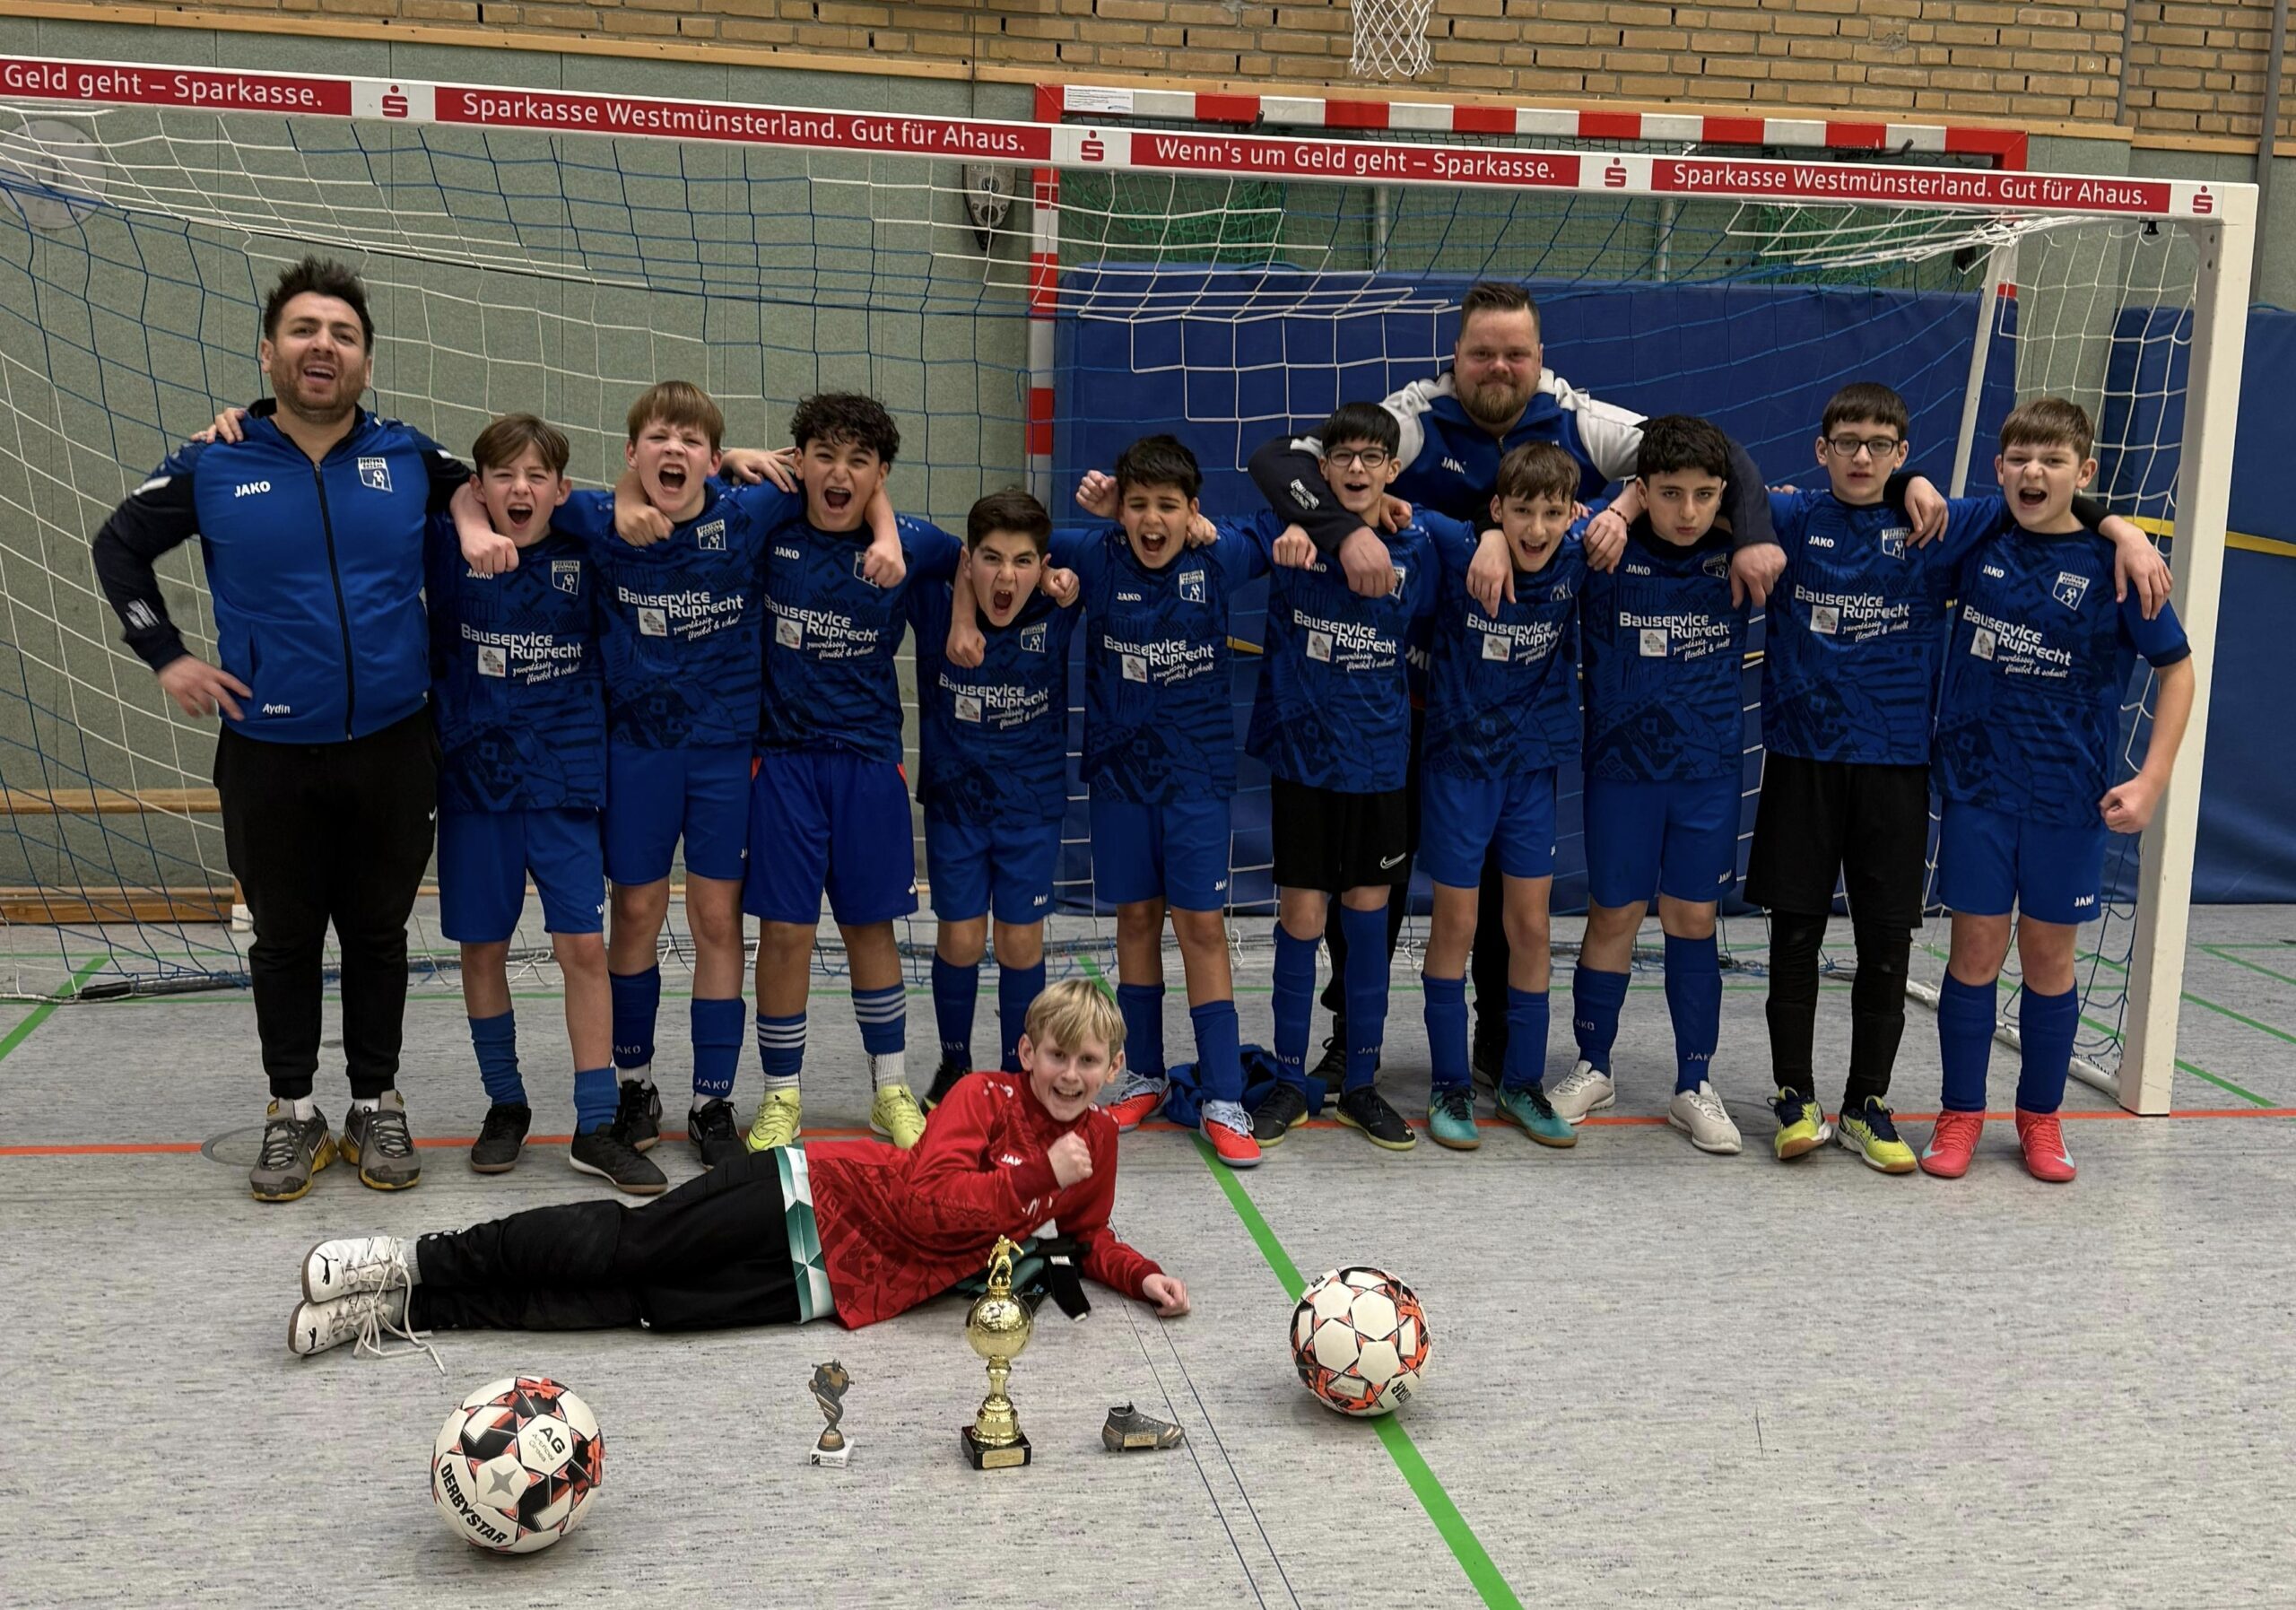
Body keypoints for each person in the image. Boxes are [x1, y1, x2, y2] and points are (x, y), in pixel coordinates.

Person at [1248, 280, 1785, 1087]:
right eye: (1482, 353)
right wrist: (1339, 531)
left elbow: (1714, 454)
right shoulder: (1415, 418)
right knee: (1373, 887)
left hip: (1508, 717)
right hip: (1402, 702)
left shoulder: (1576, 419)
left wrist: (1735, 528)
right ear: (1454, 356)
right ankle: (1350, 1041)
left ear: (1540, 358)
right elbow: (1283, 459)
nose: (1498, 367)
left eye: (1516, 354)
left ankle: (1498, 1044)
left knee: (1509, 899)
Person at [91, 256, 468, 1202]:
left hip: (394, 744)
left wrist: (713, 474)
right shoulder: (215, 460)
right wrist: (166, 654)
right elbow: (118, 545)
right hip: (267, 753)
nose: (322, 346)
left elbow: (525, 493)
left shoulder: (411, 458)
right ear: (269, 353)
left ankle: (375, 1102)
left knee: (379, 935)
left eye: (343, 334)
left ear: (366, 362)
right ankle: (292, 1111)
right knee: (285, 939)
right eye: (304, 329)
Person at [455, 384, 900, 1171]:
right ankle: (634, 1086)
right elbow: (476, 489)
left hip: (725, 752)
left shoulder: (753, 510)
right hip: (635, 753)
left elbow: (855, 483)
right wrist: (610, 499)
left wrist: (885, 527)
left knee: (717, 920)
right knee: (635, 912)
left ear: (713, 458)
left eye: (692, 442)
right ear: (631, 454)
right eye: (658, 438)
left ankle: (711, 1099)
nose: (674, 451)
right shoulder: (595, 515)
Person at [284, 979, 1187, 1352]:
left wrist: (1138, 1274)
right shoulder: (982, 1097)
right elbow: (927, 1202)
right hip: (806, 1195)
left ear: (1113, 1070)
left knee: (640, 1305)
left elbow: (1085, 1235)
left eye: (1088, 1062)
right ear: (1026, 1052)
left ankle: (405, 1312)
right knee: (632, 1243)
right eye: (1056, 1055)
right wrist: (1036, 1176)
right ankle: (414, 1258)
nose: (1070, 1074)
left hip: (833, 1286)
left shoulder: (1096, 1144)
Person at [1745, 383, 2170, 1171]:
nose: (1863, 456)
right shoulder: (1804, 516)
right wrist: (1704, 527)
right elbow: (1722, 477)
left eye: (1882, 445)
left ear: (1905, 453)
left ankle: (1886, 1106)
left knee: (1897, 942)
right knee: (1807, 935)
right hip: (1829, 763)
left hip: (1922, 770)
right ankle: (1811, 1097)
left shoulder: (1956, 527)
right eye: (1848, 442)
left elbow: (2048, 504)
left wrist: (2123, 529)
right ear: (1821, 450)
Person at [952, 438, 1267, 1167]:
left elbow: (1286, 521)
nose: (1153, 520)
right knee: (1134, 920)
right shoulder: (1094, 554)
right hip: (1121, 779)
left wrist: (1221, 527)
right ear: (1119, 508)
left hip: (1196, 780)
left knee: (1201, 927)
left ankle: (1224, 1095)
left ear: (1192, 510)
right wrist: (965, 615)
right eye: (1138, 504)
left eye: (1168, 506)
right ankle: (1144, 1073)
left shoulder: (1221, 554)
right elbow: (983, 551)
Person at [1921, 399, 2196, 1183]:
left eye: (2052, 460)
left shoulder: (2118, 565)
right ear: (1999, 467)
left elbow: (2178, 672)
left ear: (2086, 471)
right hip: (1978, 788)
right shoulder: (1980, 537)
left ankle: (2040, 1117)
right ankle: (1959, 1113)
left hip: (2068, 800)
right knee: (1974, 951)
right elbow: (1908, 502)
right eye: (2019, 459)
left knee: (2049, 959)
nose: (2033, 473)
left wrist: (2152, 779)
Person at [424, 414, 663, 1195]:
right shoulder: (444, 544)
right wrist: (464, 520)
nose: (519, 489)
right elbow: (433, 482)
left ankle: (595, 1123)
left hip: (565, 782)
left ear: (561, 489)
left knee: (583, 949)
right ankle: (506, 1103)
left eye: (536, 476)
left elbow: (649, 491)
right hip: (476, 785)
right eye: (503, 475)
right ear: (479, 487)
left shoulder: (586, 546)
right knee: (482, 950)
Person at [741, 394, 964, 1154]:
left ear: (881, 474)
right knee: (785, 933)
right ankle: (780, 1095)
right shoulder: (770, 526)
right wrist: (732, 457)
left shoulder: (912, 544)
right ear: (799, 462)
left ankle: (889, 1089)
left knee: (871, 927)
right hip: (784, 760)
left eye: (859, 461)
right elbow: (690, 494)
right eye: (825, 456)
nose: (840, 474)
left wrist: (964, 615)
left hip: (869, 761)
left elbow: (978, 560)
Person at [1249, 403, 1437, 1153]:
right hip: (1304, 760)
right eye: (1343, 457)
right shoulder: (1288, 537)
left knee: (1366, 918)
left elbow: (1503, 543)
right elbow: (1260, 469)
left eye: (1372, 458)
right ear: (1321, 468)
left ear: (1394, 470)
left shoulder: (1422, 542)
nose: (1357, 468)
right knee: (1301, 916)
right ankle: (1288, 1079)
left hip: (1381, 763)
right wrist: (1308, 524)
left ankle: (1360, 1082)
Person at [1566, 415, 1752, 1156]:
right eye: (1670, 493)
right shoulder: (1602, 546)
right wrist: (1615, 509)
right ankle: (1593, 1066)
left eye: (1704, 494)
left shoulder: (1745, 546)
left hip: (1707, 772)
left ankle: (1694, 1084)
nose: (1688, 511)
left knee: (1692, 919)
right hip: (1621, 770)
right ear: (1641, 490)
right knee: (1612, 915)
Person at [1410, 440, 1587, 1151]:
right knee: (1455, 925)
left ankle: (1521, 1081)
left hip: (1531, 769)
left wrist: (1624, 504)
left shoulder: (1579, 552)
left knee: (1532, 927)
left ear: (1572, 514)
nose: (1536, 529)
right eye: (1520, 512)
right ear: (1497, 509)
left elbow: (1641, 497)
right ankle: (1449, 1082)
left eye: (1552, 513)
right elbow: (1398, 508)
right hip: (1458, 767)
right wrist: (1483, 537)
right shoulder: (1460, 546)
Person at [912, 490, 1082, 1108]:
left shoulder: (1059, 604)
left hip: (1030, 806)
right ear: (969, 561)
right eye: (990, 559)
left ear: (1044, 565)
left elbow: (1103, 546)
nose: (1006, 576)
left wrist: (1061, 579)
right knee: (960, 940)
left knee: (1019, 943)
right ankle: (955, 1065)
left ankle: (1017, 1073)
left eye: (1022, 561)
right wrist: (962, 607)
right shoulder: (934, 603)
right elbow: (916, 544)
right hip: (955, 805)